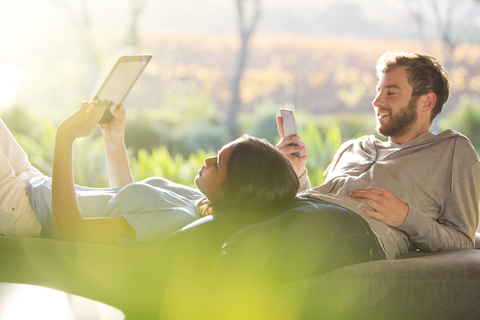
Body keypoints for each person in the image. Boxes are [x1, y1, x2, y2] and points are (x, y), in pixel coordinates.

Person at [0, 101, 299, 247]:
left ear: (235, 191)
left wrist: (64, 138)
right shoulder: (199, 203)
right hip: (32, 184)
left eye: (217, 164)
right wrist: (113, 138)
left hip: (24, 210)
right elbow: (126, 201)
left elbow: (70, 231)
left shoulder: (179, 220)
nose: (207, 160)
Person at [273, 51, 480, 263]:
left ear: (426, 102)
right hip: (310, 213)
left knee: (262, 243)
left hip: (361, 228)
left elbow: (462, 240)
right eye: (378, 91)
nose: (376, 101)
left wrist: (406, 217)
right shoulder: (354, 147)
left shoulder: (451, 150)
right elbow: (318, 201)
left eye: (390, 93)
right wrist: (297, 173)